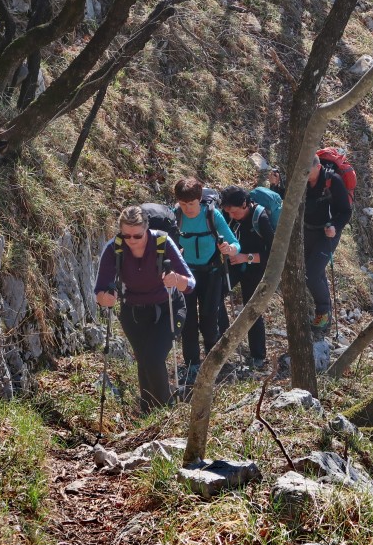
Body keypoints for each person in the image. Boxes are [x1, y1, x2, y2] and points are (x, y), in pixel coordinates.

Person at [94, 206, 195, 413]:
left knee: (153, 357)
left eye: (137, 236)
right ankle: (148, 411)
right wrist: (106, 298)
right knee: (143, 360)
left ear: (147, 229)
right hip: (134, 313)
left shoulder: (163, 242)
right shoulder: (115, 248)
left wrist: (176, 280)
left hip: (169, 307)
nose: (131, 240)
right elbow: (100, 291)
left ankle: (165, 412)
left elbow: (191, 283)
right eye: (126, 235)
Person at [270, 153, 352, 331]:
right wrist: (275, 186)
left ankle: (323, 314)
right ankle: (323, 316)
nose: (305, 175)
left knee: (311, 274)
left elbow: (346, 211)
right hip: (307, 230)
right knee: (315, 271)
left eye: (309, 172)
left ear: (318, 167)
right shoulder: (301, 179)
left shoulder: (333, 181)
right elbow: (290, 199)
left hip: (327, 233)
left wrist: (335, 227)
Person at [173, 176, 240, 383]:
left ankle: (214, 362)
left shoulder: (212, 214)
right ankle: (192, 364)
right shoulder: (175, 216)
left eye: (191, 204)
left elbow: (235, 243)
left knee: (210, 321)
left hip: (212, 273)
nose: (187, 208)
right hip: (187, 275)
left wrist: (229, 249)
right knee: (188, 322)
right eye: (183, 204)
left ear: (199, 199)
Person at [217, 185, 275, 369]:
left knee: (252, 310)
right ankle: (222, 344)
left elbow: (273, 253)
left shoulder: (261, 218)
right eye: (228, 212)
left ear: (244, 204)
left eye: (234, 212)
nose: (231, 216)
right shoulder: (228, 214)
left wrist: (246, 257)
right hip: (232, 264)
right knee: (215, 296)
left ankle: (258, 355)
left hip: (255, 268)